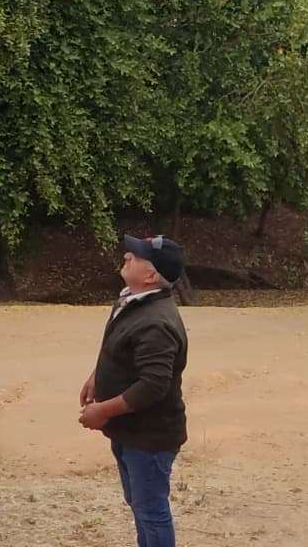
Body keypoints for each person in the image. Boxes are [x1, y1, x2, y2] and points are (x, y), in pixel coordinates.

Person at [78, 234, 189, 547]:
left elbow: (153, 385)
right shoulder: (132, 300)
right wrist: (96, 377)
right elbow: (121, 351)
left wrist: (103, 410)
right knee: (140, 505)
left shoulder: (156, 323)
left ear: (151, 276)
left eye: (136, 255)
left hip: (149, 437)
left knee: (151, 511)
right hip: (131, 432)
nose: (127, 255)